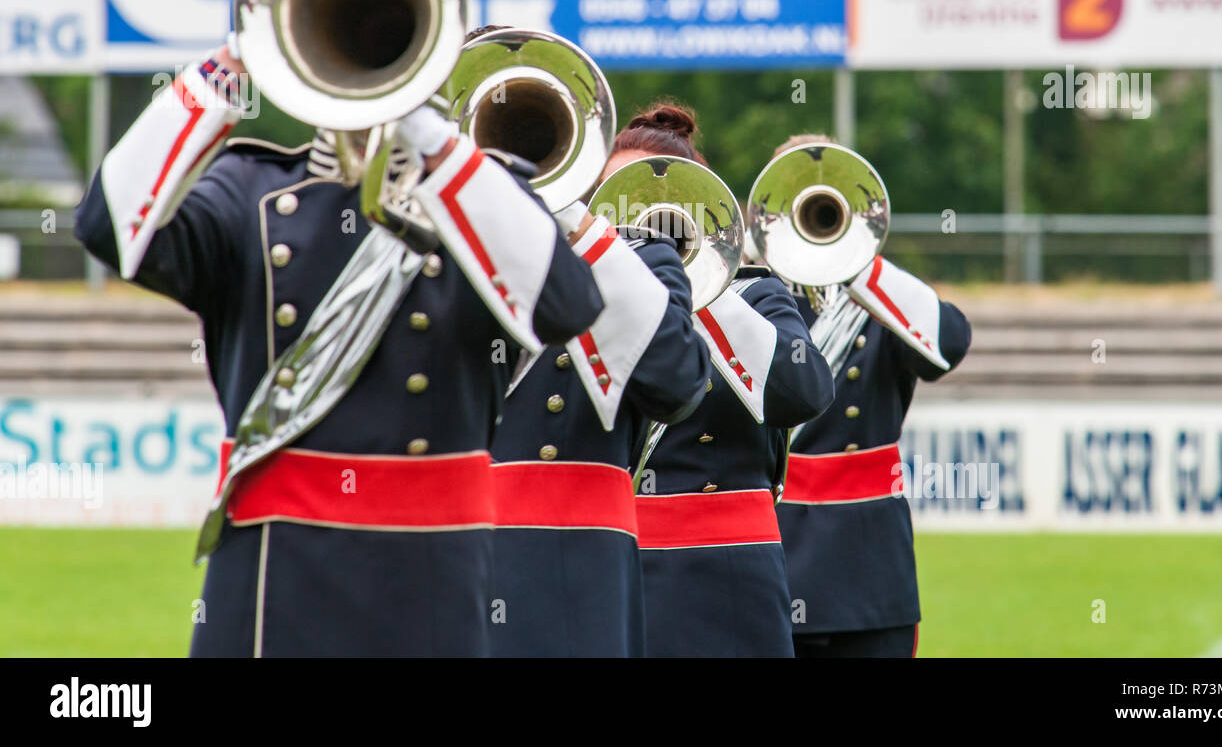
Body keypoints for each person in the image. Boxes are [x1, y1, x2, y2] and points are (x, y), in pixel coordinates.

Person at [75, 43, 605, 657]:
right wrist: (228, 67)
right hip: (275, 564)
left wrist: (430, 135)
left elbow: (569, 304)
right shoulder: (252, 189)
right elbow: (106, 224)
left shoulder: (478, 204)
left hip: (432, 568)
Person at [624, 103, 835, 657]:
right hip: (610, 565)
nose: (641, 225)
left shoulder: (756, 295)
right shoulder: (579, 301)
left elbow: (805, 391)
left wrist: (699, 277)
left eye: (662, 209)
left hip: (727, 573)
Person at [489, 156, 710, 656]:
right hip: (466, 541)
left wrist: (584, 234)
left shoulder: (645, 260)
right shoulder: (470, 233)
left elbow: (678, 383)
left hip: (585, 556)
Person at [769, 133, 973, 658]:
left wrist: (856, 260)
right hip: (781, 542)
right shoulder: (754, 294)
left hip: (870, 555)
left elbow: (947, 345)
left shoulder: (880, 297)